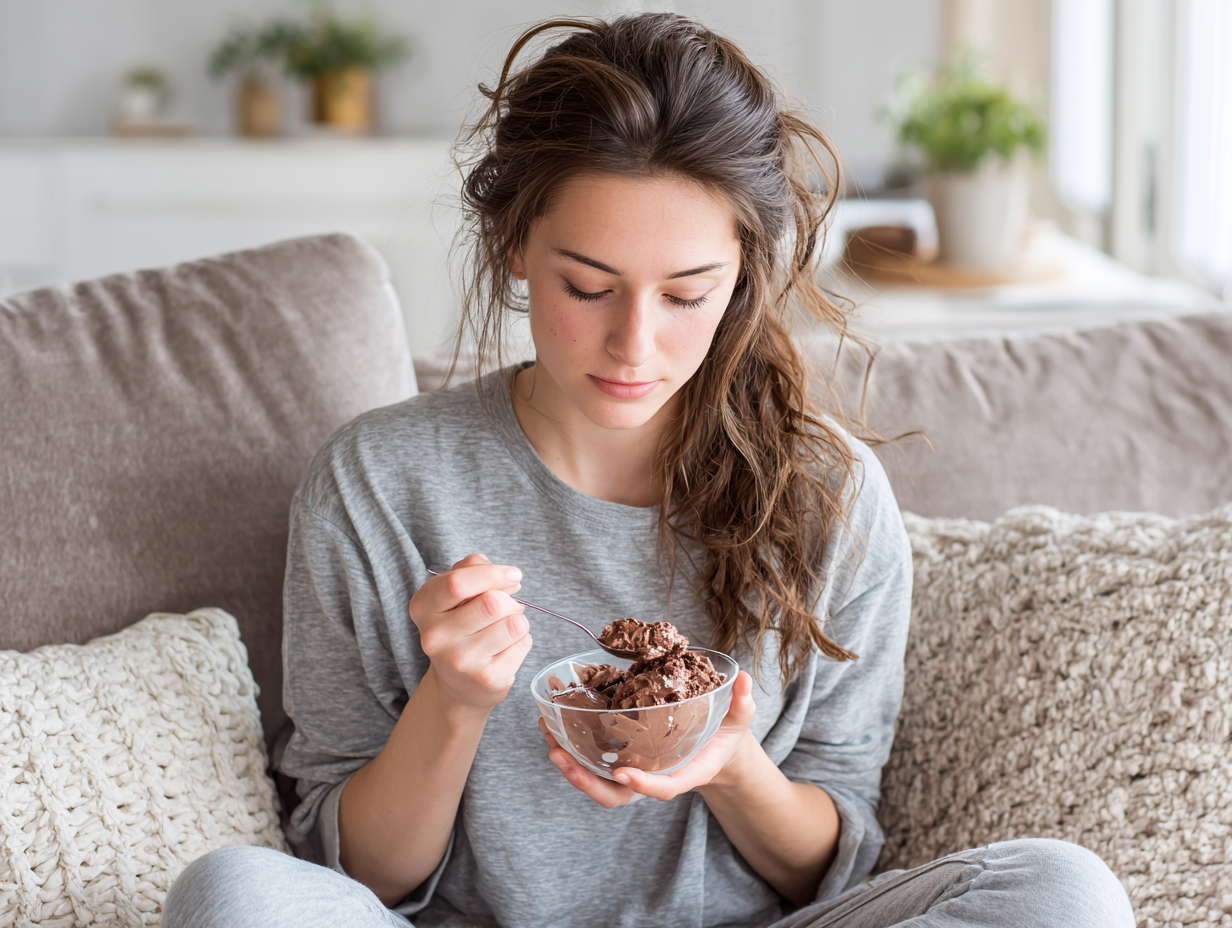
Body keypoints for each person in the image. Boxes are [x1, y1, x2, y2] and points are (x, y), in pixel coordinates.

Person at [164, 13, 1135, 928]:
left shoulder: (827, 493)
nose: (634, 344)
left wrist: (730, 764)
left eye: (685, 294)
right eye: (588, 286)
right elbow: (357, 878)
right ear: (513, 247)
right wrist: (451, 702)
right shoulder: (378, 480)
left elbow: (833, 867)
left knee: (1063, 889)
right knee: (230, 892)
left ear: (741, 275)